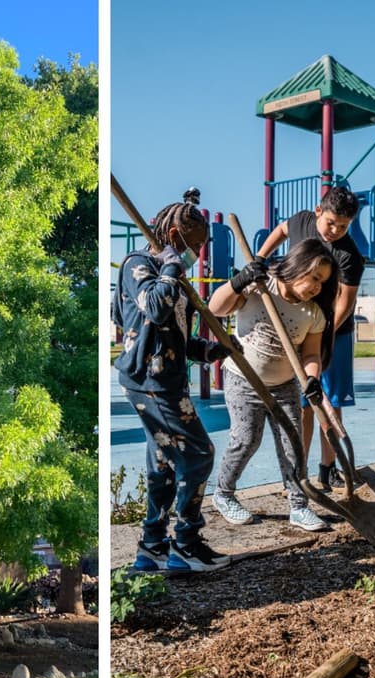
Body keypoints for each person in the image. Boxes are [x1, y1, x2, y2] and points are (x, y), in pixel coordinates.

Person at [112, 200, 234, 572]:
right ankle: (185, 543)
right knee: (199, 455)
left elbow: (173, 336)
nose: (196, 254)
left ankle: (152, 547)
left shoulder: (173, 276)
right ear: (175, 237)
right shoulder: (139, 265)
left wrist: (213, 350)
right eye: (193, 246)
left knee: (163, 465)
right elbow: (154, 308)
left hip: (168, 378)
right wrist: (170, 266)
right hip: (150, 382)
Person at [208, 238, 339, 531]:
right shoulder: (259, 286)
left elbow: (311, 354)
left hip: (284, 385)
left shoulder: (312, 313)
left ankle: (299, 506)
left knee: (294, 444)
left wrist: (312, 378)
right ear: (296, 266)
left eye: (323, 282)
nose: (317, 286)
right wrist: (239, 281)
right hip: (244, 379)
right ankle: (224, 493)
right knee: (246, 439)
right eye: (314, 277)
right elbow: (216, 308)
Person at [256, 186, 362, 491]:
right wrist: (261, 258)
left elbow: (345, 302)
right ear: (318, 212)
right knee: (304, 402)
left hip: (334, 332)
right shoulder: (302, 221)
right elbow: (279, 230)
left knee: (332, 401)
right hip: (296, 325)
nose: (335, 231)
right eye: (331, 223)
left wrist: (324, 331)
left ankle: (328, 468)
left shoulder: (349, 254)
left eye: (343, 226)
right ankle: (298, 469)